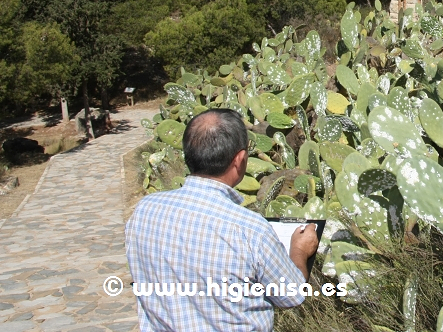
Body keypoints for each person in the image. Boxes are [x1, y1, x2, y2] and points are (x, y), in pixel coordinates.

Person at [126, 108, 319, 331]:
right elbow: (291, 295)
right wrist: (299, 251)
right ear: (240, 159)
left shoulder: (144, 210)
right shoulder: (249, 229)